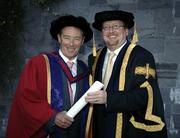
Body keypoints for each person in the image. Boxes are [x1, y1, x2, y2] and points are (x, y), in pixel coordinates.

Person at [6, 15, 93, 138]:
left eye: (77, 39)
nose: (71, 44)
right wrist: (52, 116)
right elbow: (25, 98)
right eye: (66, 38)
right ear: (59, 38)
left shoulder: (85, 70)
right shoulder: (40, 63)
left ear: (83, 41)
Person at [85, 10, 167, 138]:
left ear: (126, 31)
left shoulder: (141, 56)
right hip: (99, 127)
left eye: (116, 26)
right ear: (102, 33)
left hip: (127, 128)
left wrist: (109, 98)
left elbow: (145, 95)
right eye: (106, 28)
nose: (111, 31)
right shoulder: (94, 58)